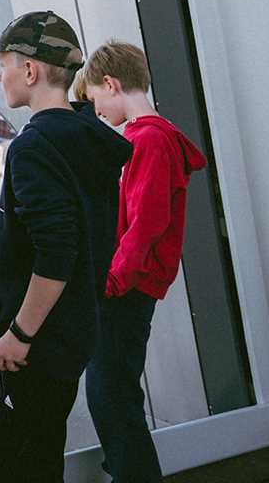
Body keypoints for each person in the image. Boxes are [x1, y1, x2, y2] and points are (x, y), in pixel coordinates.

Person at [0, 11, 130, 482]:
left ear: (31, 71)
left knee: (17, 462)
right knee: (41, 452)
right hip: (73, 330)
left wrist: (18, 335)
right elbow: (79, 223)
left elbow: (58, 254)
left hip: (37, 343)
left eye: (4, 64)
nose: (0, 75)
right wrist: (13, 220)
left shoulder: (34, 146)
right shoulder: (85, 137)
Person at [77, 41, 208, 483]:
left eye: (96, 99)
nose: (97, 111)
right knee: (115, 389)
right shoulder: (150, 136)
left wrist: (111, 281)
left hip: (127, 286)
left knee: (109, 392)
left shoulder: (147, 139)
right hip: (134, 284)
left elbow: (146, 223)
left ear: (111, 84)